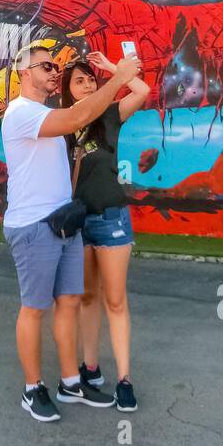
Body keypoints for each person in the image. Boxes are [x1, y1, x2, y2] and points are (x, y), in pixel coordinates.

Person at [1, 43, 140, 422]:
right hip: (33, 226)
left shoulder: (44, 112)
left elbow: (80, 117)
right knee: (34, 309)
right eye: (46, 65)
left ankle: (69, 382)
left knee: (68, 303)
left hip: (65, 223)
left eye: (55, 66)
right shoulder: (20, 113)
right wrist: (119, 79)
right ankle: (33, 389)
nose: (53, 71)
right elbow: (81, 115)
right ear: (23, 72)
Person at [59, 52, 150, 412]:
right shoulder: (62, 124)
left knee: (115, 300)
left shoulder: (110, 116)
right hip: (76, 222)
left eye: (90, 79)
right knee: (86, 298)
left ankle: (124, 379)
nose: (87, 85)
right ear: (67, 90)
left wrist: (115, 70)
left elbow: (141, 90)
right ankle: (90, 368)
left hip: (111, 218)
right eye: (78, 80)